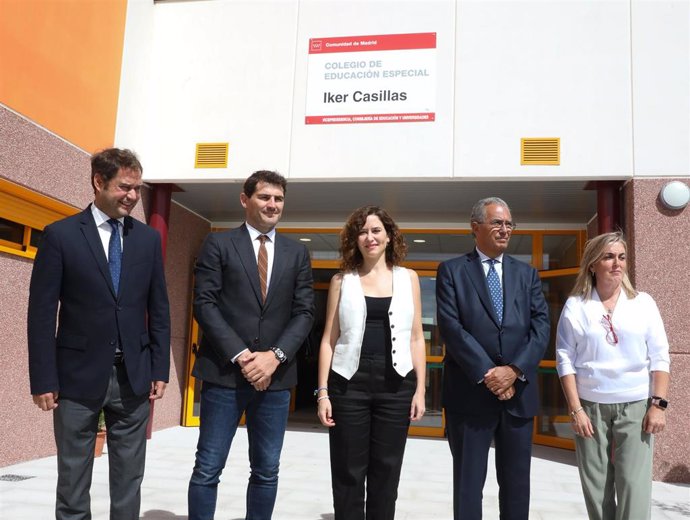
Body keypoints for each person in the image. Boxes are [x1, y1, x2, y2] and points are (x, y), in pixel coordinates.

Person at [27, 148, 171, 520]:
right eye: (125, 187)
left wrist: (159, 369)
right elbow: (42, 314)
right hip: (75, 379)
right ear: (98, 182)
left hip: (133, 378)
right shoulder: (60, 236)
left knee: (128, 482)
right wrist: (43, 378)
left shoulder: (147, 240)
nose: (133, 196)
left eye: (138, 188)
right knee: (73, 481)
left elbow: (158, 308)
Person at [187, 170, 314, 520]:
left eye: (278, 199)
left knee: (266, 470)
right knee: (208, 467)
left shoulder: (297, 253)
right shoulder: (218, 244)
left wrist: (275, 356)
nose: (272, 205)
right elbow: (205, 305)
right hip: (225, 375)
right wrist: (244, 356)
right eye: (264, 197)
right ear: (245, 200)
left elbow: (305, 312)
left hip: (275, 380)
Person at [436, 197, 550, 520]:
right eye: (497, 223)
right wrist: (490, 374)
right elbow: (451, 328)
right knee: (468, 487)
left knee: (516, 486)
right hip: (469, 397)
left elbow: (541, 328)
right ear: (475, 228)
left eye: (509, 224)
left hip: (518, 398)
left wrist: (514, 371)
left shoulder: (527, 275)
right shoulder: (452, 272)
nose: (505, 229)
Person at [316, 205, 426, 520]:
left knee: (387, 470)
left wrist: (419, 390)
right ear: (356, 239)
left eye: (376, 230)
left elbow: (417, 337)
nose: (369, 237)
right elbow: (328, 340)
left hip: (396, 384)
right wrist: (323, 392)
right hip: (348, 383)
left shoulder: (410, 279)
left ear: (390, 236)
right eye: (363, 231)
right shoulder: (341, 280)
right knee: (348, 469)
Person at [555, 231, 670, 520]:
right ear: (593, 264)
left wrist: (658, 405)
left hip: (636, 405)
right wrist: (576, 410)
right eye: (608, 257)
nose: (616, 263)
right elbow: (565, 360)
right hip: (590, 406)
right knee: (596, 486)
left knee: (633, 484)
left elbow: (660, 356)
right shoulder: (576, 306)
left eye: (621, 257)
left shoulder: (643, 303)